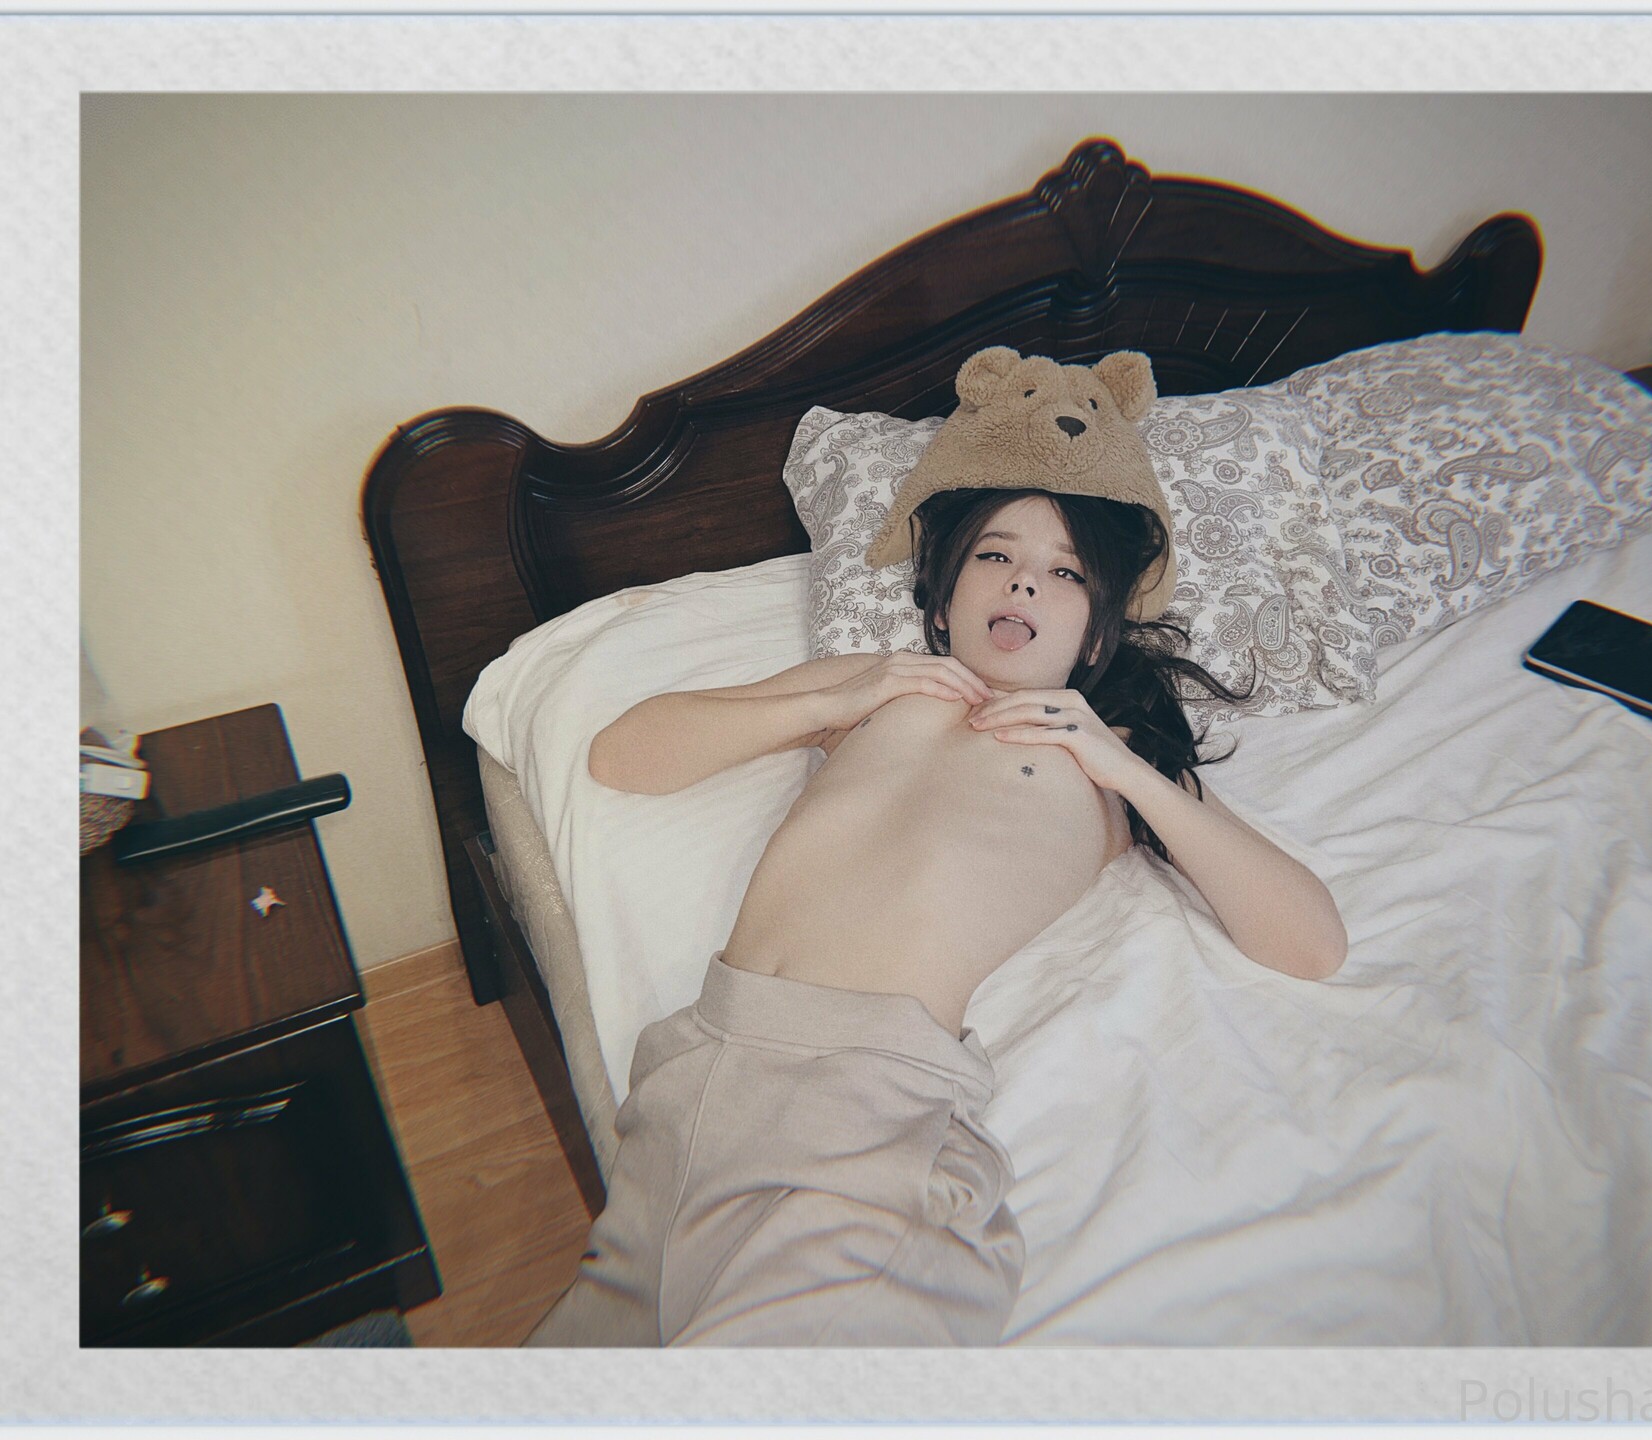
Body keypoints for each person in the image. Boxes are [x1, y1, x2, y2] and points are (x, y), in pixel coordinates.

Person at [524, 351, 1346, 1349]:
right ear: (946, 595)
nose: (1025, 581)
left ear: (1096, 637)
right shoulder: (873, 684)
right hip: (698, 1072)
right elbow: (622, 756)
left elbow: (1312, 943)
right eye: (996, 555)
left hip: (866, 1103)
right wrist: (839, 698)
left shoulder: (1109, 754)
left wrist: (1122, 769)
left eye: (1066, 573)